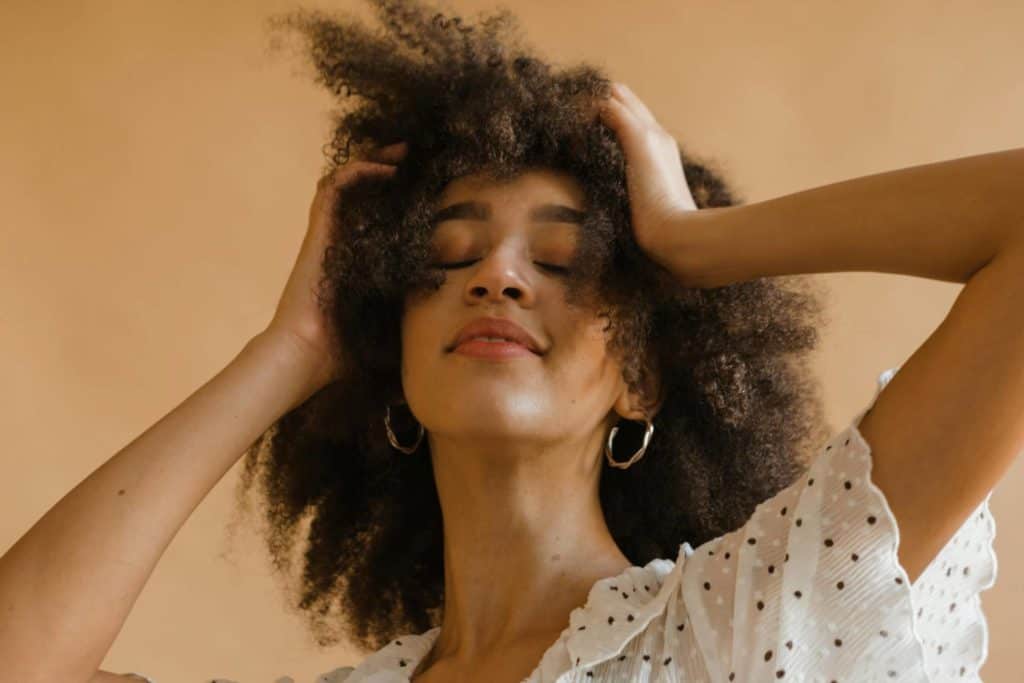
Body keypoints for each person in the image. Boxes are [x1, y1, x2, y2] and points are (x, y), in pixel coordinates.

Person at [3, 0, 1019, 681]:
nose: (497, 275)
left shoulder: (756, 617)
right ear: (387, 356)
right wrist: (295, 346)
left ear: (642, 370)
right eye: (443, 255)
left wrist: (694, 241)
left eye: (566, 263)